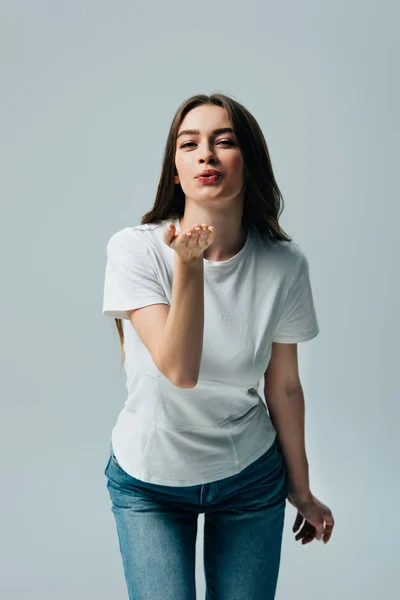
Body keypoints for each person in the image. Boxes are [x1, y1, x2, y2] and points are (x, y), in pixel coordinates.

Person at [102, 92, 335, 600]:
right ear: (177, 170)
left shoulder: (284, 265)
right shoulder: (134, 250)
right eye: (190, 145)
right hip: (150, 481)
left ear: (248, 163)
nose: (206, 153)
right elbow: (179, 369)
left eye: (223, 141)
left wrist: (301, 488)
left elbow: (286, 386)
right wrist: (188, 264)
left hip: (249, 476)